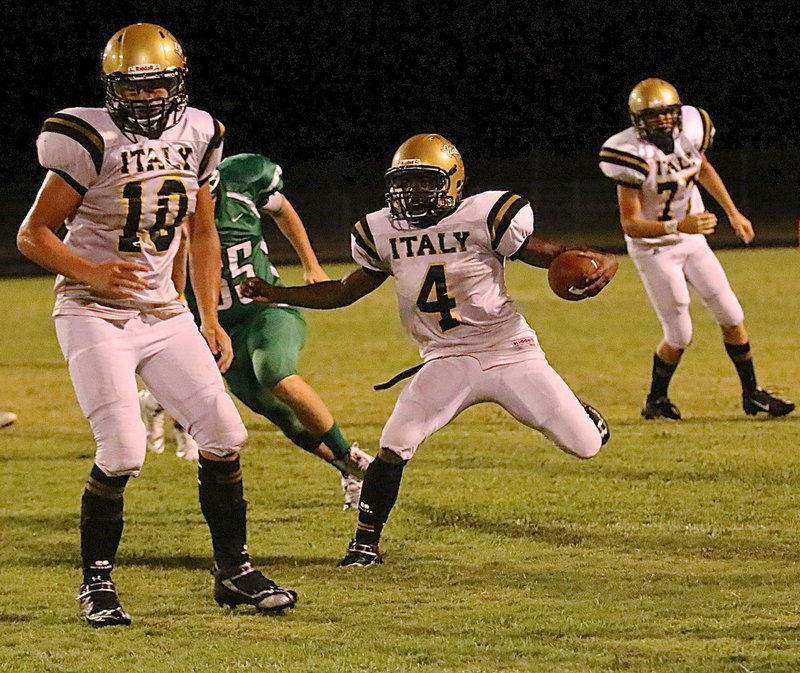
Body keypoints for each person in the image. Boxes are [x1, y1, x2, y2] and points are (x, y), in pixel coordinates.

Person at [16, 23, 296, 627]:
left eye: (156, 86)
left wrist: (209, 316)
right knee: (121, 449)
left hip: (164, 313)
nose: (145, 99)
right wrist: (90, 271)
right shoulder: (86, 137)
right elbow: (32, 235)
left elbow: (201, 229)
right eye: (132, 88)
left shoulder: (201, 132)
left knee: (225, 435)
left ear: (178, 81)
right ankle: (97, 585)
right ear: (112, 88)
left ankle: (234, 572)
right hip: (94, 312)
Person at [241, 133, 617, 566]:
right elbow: (345, 292)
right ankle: (364, 545)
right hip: (444, 358)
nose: (413, 193)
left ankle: (583, 414)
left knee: (584, 445)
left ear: (453, 182)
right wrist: (277, 292)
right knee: (394, 444)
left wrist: (601, 259)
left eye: (425, 182)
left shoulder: (485, 215)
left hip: (508, 350)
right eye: (407, 182)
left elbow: (549, 253)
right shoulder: (379, 230)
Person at [157, 152, 372, 506]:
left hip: (266, 310)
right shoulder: (164, 217)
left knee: (275, 371)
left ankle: (356, 463)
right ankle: (348, 465)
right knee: (278, 413)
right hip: (219, 332)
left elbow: (282, 208)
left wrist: (310, 264)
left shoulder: (241, 186)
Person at [598, 78, 794, 420]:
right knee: (680, 333)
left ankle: (753, 394)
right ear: (637, 120)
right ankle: (655, 401)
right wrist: (679, 225)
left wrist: (733, 212)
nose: (662, 121)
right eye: (653, 116)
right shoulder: (628, 153)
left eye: (667, 114)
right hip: (654, 248)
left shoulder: (691, 131)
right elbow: (630, 224)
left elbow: (702, 167)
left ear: (678, 113)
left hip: (691, 240)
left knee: (732, 315)